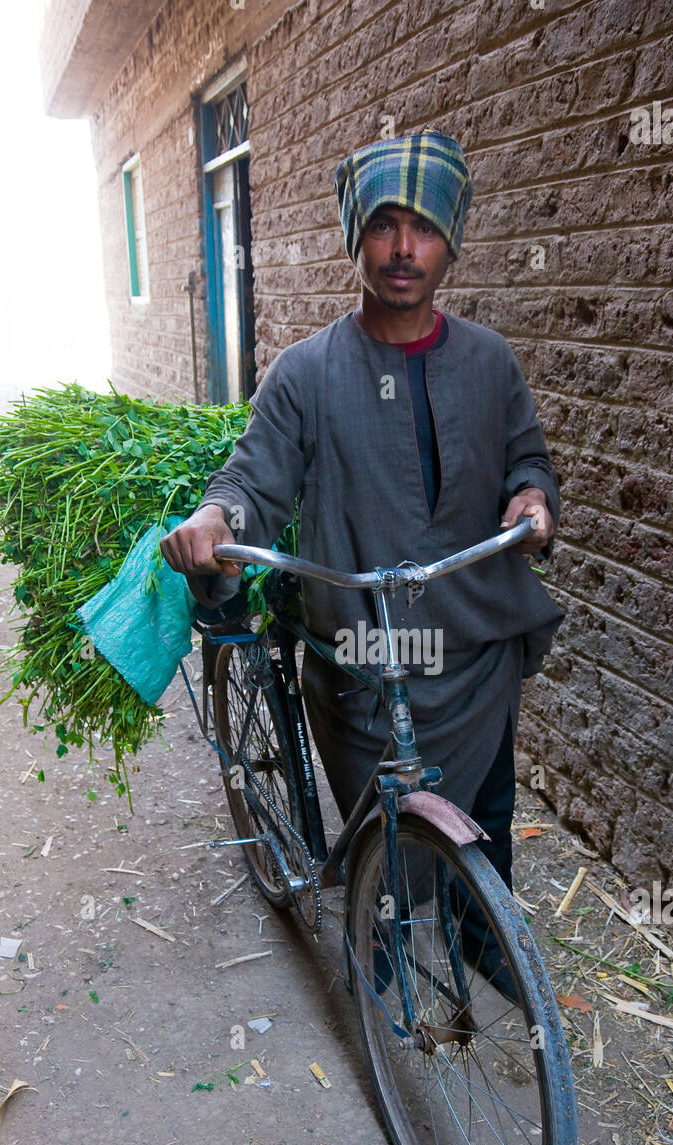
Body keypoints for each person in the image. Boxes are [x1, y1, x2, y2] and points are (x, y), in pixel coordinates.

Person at [162, 128, 563, 988]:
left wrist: (531, 497)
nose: (403, 249)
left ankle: (481, 933)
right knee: (378, 822)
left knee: (488, 802)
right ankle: (380, 935)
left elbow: (528, 456)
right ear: (357, 237)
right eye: (383, 226)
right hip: (367, 651)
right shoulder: (306, 373)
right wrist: (215, 515)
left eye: (422, 228)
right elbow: (252, 476)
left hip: (479, 630)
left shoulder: (490, 362)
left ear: (451, 238)